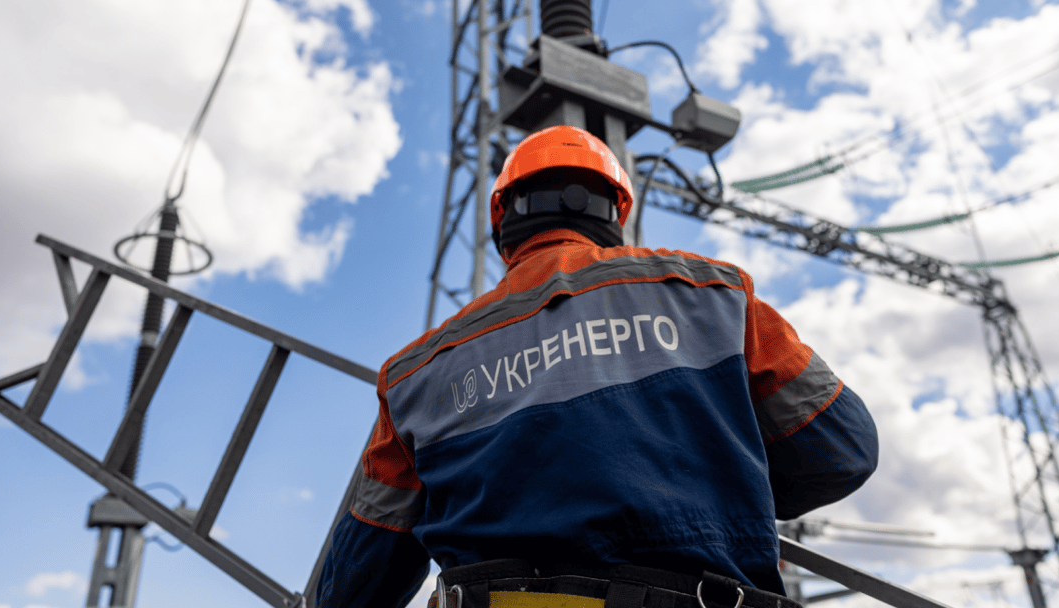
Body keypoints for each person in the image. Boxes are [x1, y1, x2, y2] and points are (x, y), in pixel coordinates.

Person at [317, 125, 878, 608]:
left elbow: (356, 584)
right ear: (614, 212)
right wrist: (712, 480)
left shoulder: (414, 375)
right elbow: (844, 449)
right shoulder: (715, 295)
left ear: (504, 216)